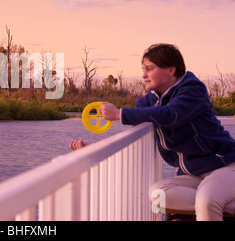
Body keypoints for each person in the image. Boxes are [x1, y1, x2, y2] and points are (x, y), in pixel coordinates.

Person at [70, 43, 235, 221]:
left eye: (150, 69)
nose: (144, 75)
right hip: (194, 174)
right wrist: (95, 150)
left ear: (171, 70)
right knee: (158, 194)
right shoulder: (153, 99)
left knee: (207, 201)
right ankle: (221, 202)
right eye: (143, 69)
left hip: (224, 166)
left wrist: (119, 113)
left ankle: (213, 201)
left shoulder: (193, 89)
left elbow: (171, 115)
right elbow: (133, 133)